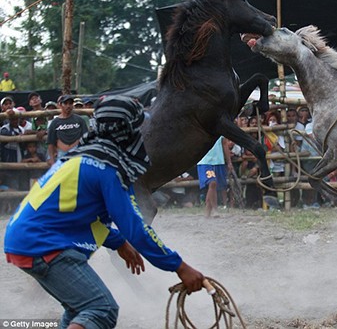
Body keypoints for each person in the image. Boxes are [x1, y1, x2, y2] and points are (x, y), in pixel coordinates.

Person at [3, 95, 206, 329]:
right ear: (126, 132)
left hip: (27, 239)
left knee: (80, 308)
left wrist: (118, 243)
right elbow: (136, 229)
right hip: (46, 245)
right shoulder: (109, 169)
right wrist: (180, 267)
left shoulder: (79, 157)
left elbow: (78, 214)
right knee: (102, 309)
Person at [47, 95, 88, 165]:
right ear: (60, 105)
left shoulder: (80, 120)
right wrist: (51, 158)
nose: (68, 106)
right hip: (61, 153)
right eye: (65, 103)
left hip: (77, 152)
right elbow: (51, 142)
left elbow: (86, 137)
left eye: (70, 103)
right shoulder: (55, 122)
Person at [197, 136, 233, 218]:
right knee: (212, 182)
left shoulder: (220, 129)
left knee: (213, 186)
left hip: (218, 161)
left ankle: (207, 211)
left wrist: (229, 162)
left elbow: (224, 144)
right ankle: (215, 209)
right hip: (205, 161)